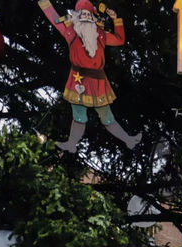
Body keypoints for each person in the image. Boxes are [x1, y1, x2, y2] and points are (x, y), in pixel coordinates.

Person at [37, 0, 142, 151]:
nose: (86, 16)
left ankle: (128, 140)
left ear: (93, 17)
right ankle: (71, 144)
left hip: (98, 80)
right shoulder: (70, 32)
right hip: (78, 80)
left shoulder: (100, 35)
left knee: (107, 116)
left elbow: (120, 40)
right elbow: (54, 19)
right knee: (79, 116)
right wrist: (44, 2)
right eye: (82, 14)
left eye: (88, 14)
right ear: (77, 17)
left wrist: (116, 20)